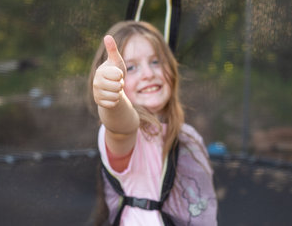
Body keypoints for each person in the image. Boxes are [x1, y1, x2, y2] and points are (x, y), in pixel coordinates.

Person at [89, 20, 217, 225]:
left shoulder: (188, 135)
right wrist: (112, 100)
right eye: (130, 68)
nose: (148, 74)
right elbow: (121, 125)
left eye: (156, 62)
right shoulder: (131, 133)